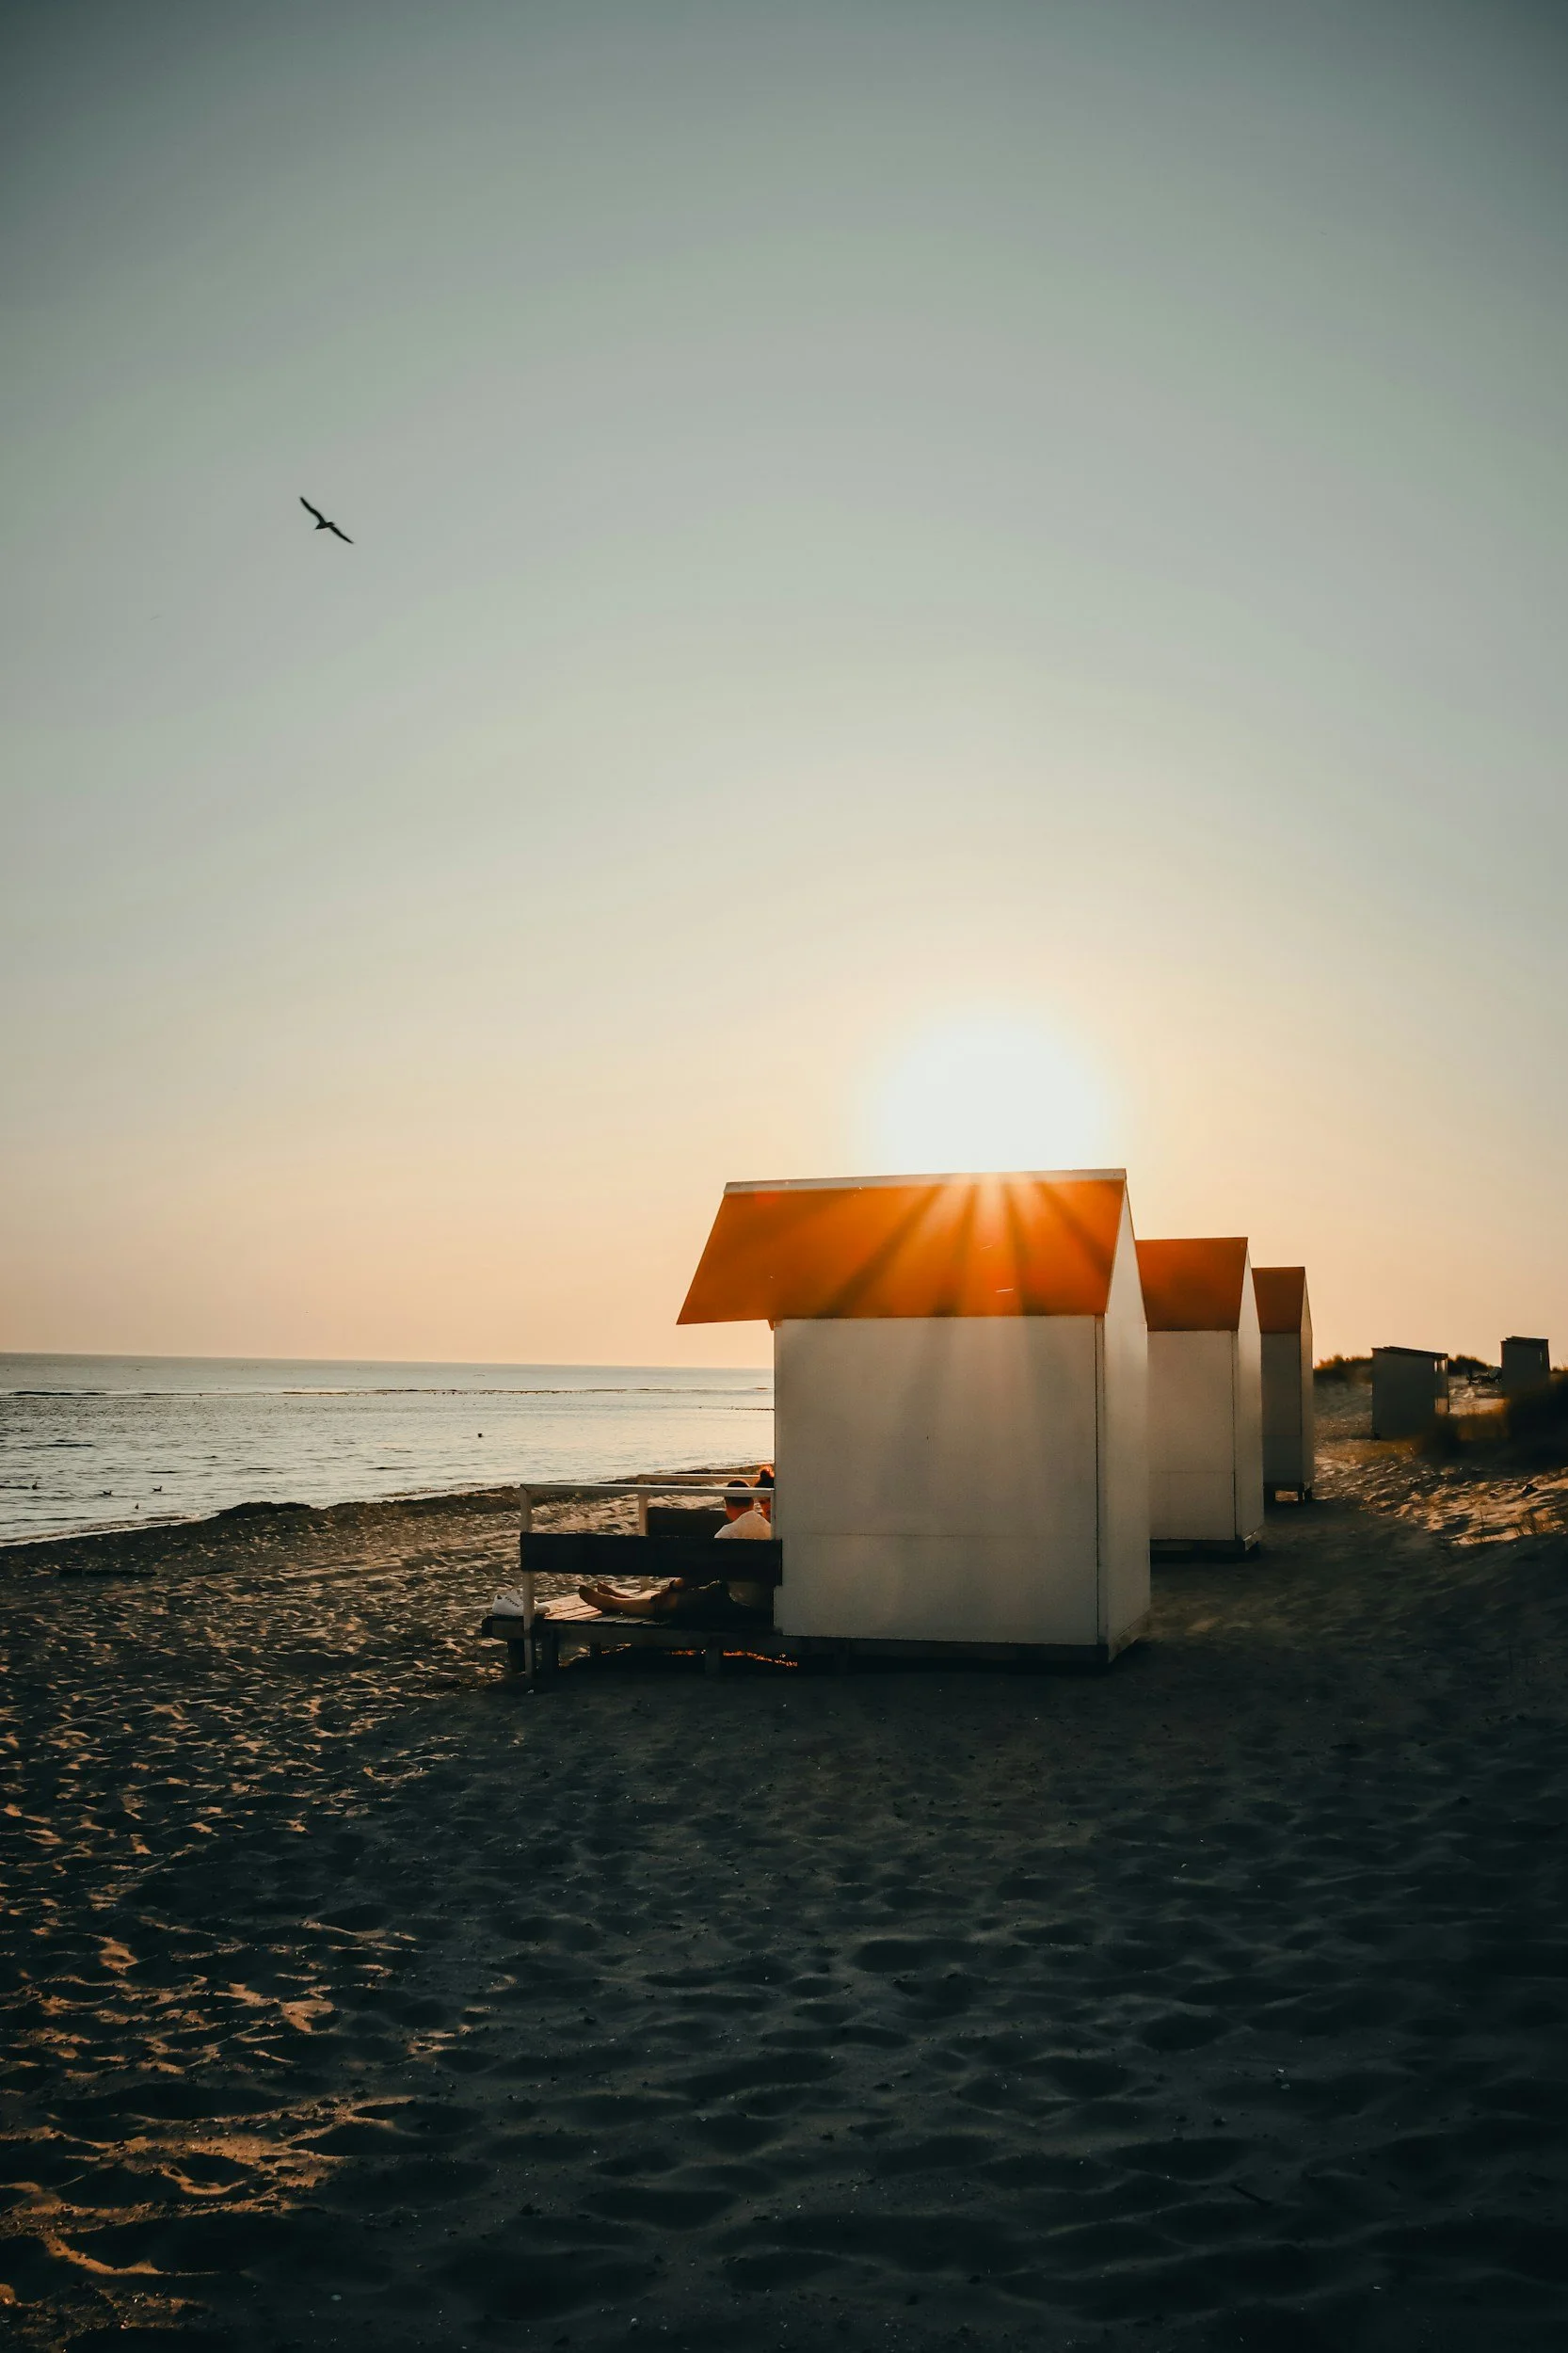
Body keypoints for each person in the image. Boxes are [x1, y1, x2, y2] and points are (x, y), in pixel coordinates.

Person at [578, 1471, 775, 1622]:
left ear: (727, 1505)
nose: (765, 1507)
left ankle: (614, 1603)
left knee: (671, 1600)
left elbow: (702, 1573)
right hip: (747, 1597)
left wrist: (672, 1586)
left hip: (736, 1602)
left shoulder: (728, 1533)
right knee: (687, 1592)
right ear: (752, 1502)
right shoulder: (769, 1529)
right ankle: (623, 1599)